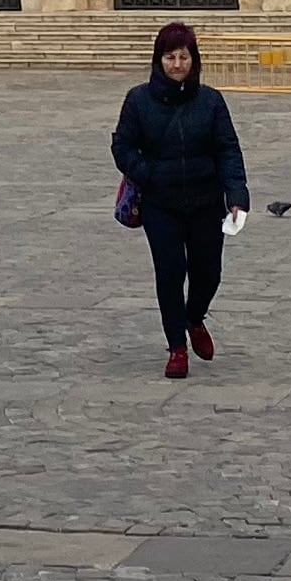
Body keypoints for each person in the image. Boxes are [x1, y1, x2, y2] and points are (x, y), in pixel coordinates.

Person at [110, 19, 248, 379]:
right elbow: (122, 147)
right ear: (159, 61)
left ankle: (194, 317)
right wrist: (148, 173)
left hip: (205, 200)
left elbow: (228, 150)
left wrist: (237, 196)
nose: (176, 64)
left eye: (183, 56)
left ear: (193, 59)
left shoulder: (211, 101)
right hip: (161, 203)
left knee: (208, 272)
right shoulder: (139, 100)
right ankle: (176, 348)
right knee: (170, 273)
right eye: (169, 57)